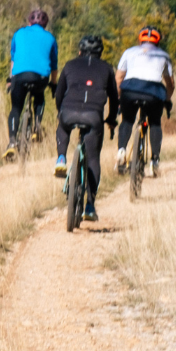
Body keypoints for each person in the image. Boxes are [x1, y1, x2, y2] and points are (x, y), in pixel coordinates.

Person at [52, 34, 117, 222]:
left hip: (68, 111)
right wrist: (111, 119)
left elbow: (59, 93)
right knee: (93, 158)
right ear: (100, 52)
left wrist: (60, 111)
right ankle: (89, 205)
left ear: (80, 51)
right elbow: (114, 98)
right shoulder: (106, 68)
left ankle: (61, 158)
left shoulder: (70, 65)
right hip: (93, 116)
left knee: (63, 127)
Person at [116, 25, 176, 176]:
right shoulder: (164, 55)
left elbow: (119, 78)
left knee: (127, 120)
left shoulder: (129, 52)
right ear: (158, 42)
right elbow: (170, 84)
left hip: (130, 90)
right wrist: (167, 99)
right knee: (154, 123)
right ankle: (154, 161)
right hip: (153, 92)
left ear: (140, 40)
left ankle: (121, 150)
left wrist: (119, 98)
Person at [4, 7, 58, 159]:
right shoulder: (50, 38)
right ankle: (37, 127)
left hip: (19, 77)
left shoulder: (18, 33)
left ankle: (12, 142)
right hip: (40, 78)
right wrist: (54, 84)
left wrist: (10, 79)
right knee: (39, 96)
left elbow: (14, 60)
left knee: (16, 109)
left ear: (29, 22)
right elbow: (54, 66)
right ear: (45, 25)